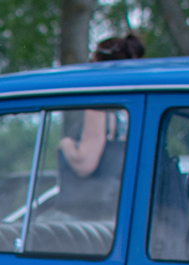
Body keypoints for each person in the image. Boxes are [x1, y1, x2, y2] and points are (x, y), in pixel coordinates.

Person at [58, 32, 144, 216]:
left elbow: (84, 163)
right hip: (123, 206)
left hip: (96, 212)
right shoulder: (133, 107)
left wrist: (66, 145)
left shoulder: (100, 108)